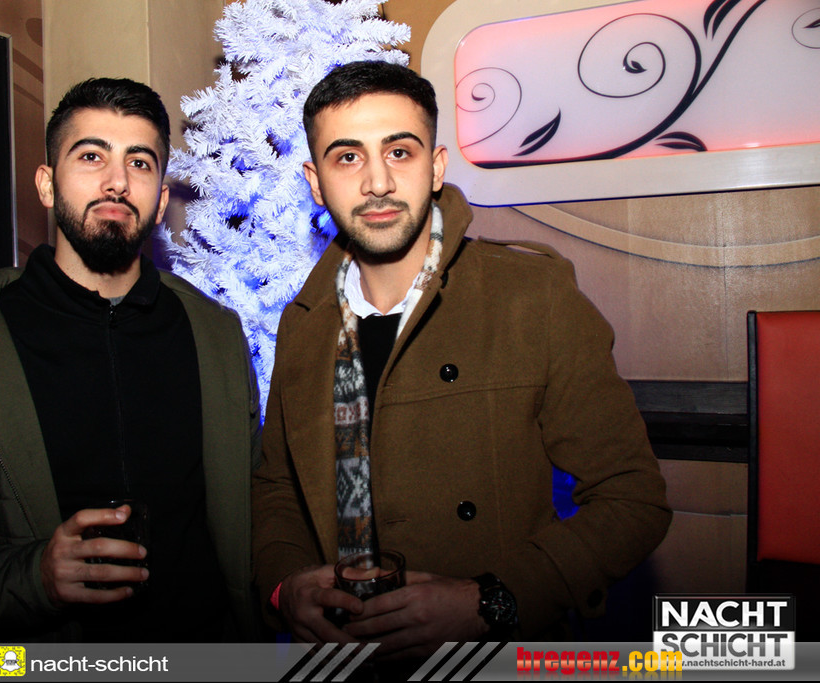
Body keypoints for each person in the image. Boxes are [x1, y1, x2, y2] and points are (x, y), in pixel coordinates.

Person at [252, 61, 671, 656]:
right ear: (315, 182)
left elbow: (632, 499)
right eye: (347, 157)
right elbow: (277, 489)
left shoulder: (531, 295)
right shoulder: (303, 322)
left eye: (399, 152)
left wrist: (490, 602)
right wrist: (285, 588)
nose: (377, 182)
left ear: (436, 167)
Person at [0, 78, 261, 642]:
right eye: (91, 156)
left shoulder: (214, 335)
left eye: (140, 163)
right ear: (47, 185)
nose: (117, 181)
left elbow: (254, 510)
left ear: (160, 202)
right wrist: (34, 577)